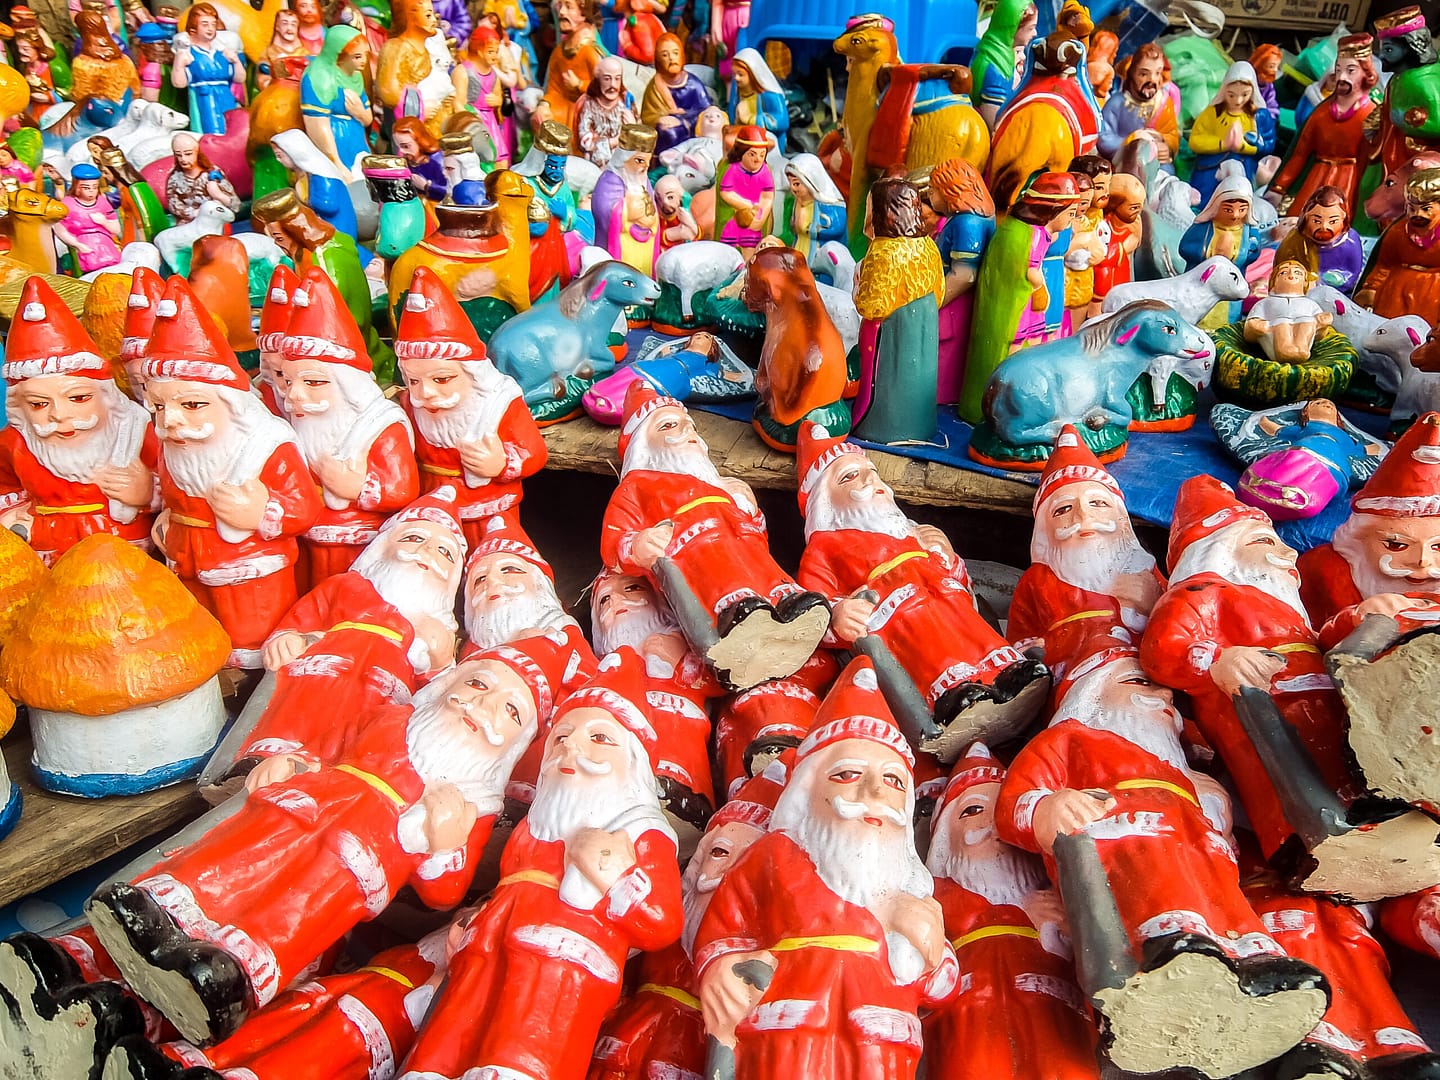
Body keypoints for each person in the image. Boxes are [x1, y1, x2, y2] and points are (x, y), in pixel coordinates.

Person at [86, 647, 563, 1045]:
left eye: (510, 709)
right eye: (479, 685)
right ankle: (155, 925)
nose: (483, 707)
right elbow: (330, 751)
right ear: (450, 684)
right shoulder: (395, 717)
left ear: (514, 746)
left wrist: (442, 844)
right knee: (231, 863)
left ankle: (224, 980)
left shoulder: (471, 802)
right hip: (296, 813)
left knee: (288, 908)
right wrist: (294, 765)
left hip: (350, 866)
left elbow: (445, 892)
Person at [996, 650, 1330, 1077]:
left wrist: (1210, 809)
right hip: (1125, 845)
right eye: (1139, 683)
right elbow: (1015, 803)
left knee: (1221, 901)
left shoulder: (1177, 767)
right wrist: (1049, 808)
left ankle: (1253, 966)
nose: (1164, 695)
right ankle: (1170, 962)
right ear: (1092, 696)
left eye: (1163, 688)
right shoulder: (1069, 738)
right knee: (1162, 895)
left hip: (1193, 844)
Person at [396, 650, 684, 1079]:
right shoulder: (536, 826)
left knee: (521, 1055)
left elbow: (661, 922)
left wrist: (617, 876)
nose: (572, 750)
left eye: (599, 739)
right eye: (561, 738)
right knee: (444, 1046)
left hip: (561, 967)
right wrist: (476, 919)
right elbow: (507, 887)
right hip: (485, 952)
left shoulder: (639, 833)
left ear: (635, 764)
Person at [695, 658, 961, 1078]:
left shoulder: (911, 878)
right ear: (807, 788)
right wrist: (721, 968)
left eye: (893, 781)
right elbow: (725, 928)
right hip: (788, 1032)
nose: (874, 792)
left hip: (883, 1039)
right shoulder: (772, 854)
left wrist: (932, 953)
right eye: (849, 773)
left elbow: (941, 988)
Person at [796, 422, 1049, 757]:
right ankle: (957, 699)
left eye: (869, 471)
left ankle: (1009, 678)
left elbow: (961, 580)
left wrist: (947, 555)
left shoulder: (907, 529)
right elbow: (814, 608)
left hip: (946, 599)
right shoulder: (824, 548)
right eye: (849, 477)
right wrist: (839, 615)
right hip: (901, 619)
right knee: (935, 652)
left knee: (974, 636)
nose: (870, 480)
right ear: (825, 503)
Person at [142, 277, 322, 669]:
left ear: (230, 404)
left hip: (249, 565)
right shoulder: (176, 445)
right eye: (158, 407)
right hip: (188, 556)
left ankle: (251, 682)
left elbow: (303, 508)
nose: (170, 421)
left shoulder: (267, 447)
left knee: (250, 636)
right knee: (201, 629)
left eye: (191, 404)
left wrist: (262, 514)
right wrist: (168, 519)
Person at [601, 383, 830, 691]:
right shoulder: (637, 486)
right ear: (645, 443)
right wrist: (638, 545)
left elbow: (758, 535)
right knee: (729, 587)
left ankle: (793, 615)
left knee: (765, 575)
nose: (687, 431)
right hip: (697, 554)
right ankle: (741, 636)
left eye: (689, 425)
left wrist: (750, 510)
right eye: (670, 425)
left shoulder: (716, 484)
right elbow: (615, 538)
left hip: (742, 544)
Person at [235, 487, 467, 771]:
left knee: (359, 734)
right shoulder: (344, 586)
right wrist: (288, 639)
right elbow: (306, 616)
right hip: (320, 673)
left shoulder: (438, 627)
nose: (428, 552)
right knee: (297, 713)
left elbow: (435, 696)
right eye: (414, 538)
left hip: (381, 691)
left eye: (445, 552)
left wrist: (440, 662)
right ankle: (264, 759)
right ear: (383, 547)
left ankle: (330, 774)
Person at [923, 743, 1100, 1080]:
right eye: (973, 810)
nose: (993, 824)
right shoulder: (935, 894)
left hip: (1055, 1015)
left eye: (1001, 810)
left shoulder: (1060, 891)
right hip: (969, 1018)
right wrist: (1020, 917)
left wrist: (1061, 928)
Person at [589, 794, 770, 1080]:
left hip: (693, 1047)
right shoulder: (669, 913)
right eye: (721, 853)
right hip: (628, 1032)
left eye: (751, 863)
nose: (731, 873)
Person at [273, 267, 418, 588]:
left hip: (361, 542)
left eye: (313, 382)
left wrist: (357, 487)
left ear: (347, 385)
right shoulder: (293, 425)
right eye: (288, 380)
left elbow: (401, 489)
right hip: (307, 538)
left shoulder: (380, 427)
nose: (294, 395)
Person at [0, 277, 157, 565]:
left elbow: (179, 479)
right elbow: (4, 484)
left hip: (123, 546)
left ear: (106, 395)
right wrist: (12, 513)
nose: (59, 415)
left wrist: (149, 491)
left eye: (79, 398)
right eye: (38, 404)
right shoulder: (15, 442)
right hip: (47, 548)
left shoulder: (136, 429)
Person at [393, 266, 547, 550]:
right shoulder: (410, 404)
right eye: (414, 380)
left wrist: (502, 464)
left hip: (488, 508)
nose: (426, 393)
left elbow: (534, 452)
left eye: (441, 379)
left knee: (489, 554)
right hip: (433, 508)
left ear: (472, 373)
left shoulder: (500, 404)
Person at [1007, 427, 1165, 683]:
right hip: (1072, 674)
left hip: (1141, 673)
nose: (1083, 517)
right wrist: (1033, 649)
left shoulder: (1141, 565)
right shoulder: (1038, 581)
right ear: (1046, 530)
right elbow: (1018, 639)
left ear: (1120, 518)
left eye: (1098, 503)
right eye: (1064, 509)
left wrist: (1155, 602)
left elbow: (1181, 622)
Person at [1298, 413, 1440, 638]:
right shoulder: (1324, 570)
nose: (1423, 560)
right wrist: (1355, 619)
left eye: (1438, 547)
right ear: (1359, 538)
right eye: (1395, 545)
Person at [251, 188, 392, 379]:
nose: (277, 244)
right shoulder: (306, 252)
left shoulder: (325, 260)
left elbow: (329, 308)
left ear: (296, 230)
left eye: (279, 238)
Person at [1267, 35, 1377, 215]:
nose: (1342, 77)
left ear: (1366, 74)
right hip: (1315, 180)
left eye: (1350, 71)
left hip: (1348, 184)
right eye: (1338, 70)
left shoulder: (1370, 115)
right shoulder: (1322, 112)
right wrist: (1278, 188)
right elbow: (1300, 152)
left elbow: (1370, 166)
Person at [1355, 167, 1440, 319]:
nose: (1417, 214)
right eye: (1411, 209)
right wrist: (1371, 288)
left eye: (1426, 209)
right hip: (1396, 294)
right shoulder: (1399, 231)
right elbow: (1384, 264)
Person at [1187, 61, 1271, 204]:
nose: (1238, 101)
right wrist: (1222, 143)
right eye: (1231, 95)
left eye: (1244, 94)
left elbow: (1268, 143)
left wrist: (1244, 145)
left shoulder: (1259, 115)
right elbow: (1195, 140)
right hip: (1211, 165)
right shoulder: (1212, 113)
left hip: (1245, 164)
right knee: (1204, 197)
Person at [300, 25, 374, 179]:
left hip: (357, 139)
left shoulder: (355, 74)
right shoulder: (318, 77)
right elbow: (317, 126)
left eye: (365, 55)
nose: (364, 61)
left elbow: (367, 120)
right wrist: (336, 162)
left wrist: (359, 112)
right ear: (339, 55)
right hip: (333, 143)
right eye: (357, 56)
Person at [376, 0, 456, 136]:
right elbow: (389, 92)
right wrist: (420, 108)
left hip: (440, 125)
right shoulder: (396, 48)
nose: (434, 21)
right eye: (428, 16)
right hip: (415, 132)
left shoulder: (430, 45)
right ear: (411, 17)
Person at [591, 123, 661, 274]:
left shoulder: (644, 180)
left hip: (644, 245)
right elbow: (603, 211)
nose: (645, 167)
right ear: (625, 159)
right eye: (639, 161)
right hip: (621, 246)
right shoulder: (609, 180)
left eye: (648, 162)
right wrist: (626, 210)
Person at [1274, 185, 1366, 294]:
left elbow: (1352, 273)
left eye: (1333, 221)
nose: (1324, 226)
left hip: (1336, 293)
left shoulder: (1350, 241)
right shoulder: (1295, 240)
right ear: (1306, 218)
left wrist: (1333, 279)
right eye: (1316, 221)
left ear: (1344, 219)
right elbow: (1281, 269)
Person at [1098, 43, 1178, 164]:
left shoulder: (1164, 103)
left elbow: (1172, 134)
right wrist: (1131, 142)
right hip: (1124, 161)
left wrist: (1166, 146)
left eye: (1157, 73)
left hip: (1156, 163)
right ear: (1132, 74)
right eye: (1144, 74)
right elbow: (1103, 138)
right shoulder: (1117, 103)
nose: (1152, 80)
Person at [171, 3, 243, 136]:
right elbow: (179, 83)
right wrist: (179, 64)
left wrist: (236, 61)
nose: (210, 29)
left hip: (226, 97)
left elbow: (239, 78)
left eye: (213, 24)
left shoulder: (221, 53)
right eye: (205, 24)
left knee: (232, 129)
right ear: (194, 26)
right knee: (213, 133)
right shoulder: (190, 54)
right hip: (205, 100)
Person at [452, 23, 516, 167]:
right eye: (490, 52)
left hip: (491, 122)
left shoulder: (494, 74)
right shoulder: (463, 72)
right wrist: (471, 120)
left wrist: (497, 100)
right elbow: (457, 103)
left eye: (496, 51)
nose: (495, 56)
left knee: (500, 157)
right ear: (480, 51)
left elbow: (498, 97)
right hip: (473, 121)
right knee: (481, 158)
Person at [1178, 166, 1262, 273]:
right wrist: (1208, 254)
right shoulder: (1203, 227)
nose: (1235, 215)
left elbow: (1254, 253)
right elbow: (1185, 248)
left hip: (1233, 277)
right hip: (1199, 275)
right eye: (1228, 210)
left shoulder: (1250, 232)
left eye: (1242, 210)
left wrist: (1243, 251)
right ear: (1216, 206)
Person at [537, 0, 604, 135]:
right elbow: (553, 89)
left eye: (568, 7)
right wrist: (544, 105)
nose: (561, 12)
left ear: (583, 14)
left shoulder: (589, 51)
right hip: (563, 108)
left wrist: (579, 84)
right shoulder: (559, 52)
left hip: (586, 110)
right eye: (560, 6)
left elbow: (603, 88)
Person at [641, 31, 710, 156]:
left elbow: (707, 112)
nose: (671, 58)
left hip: (692, 132)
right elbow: (647, 116)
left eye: (675, 53)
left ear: (682, 56)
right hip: (665, 134)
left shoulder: (693, 84)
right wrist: (659, 119)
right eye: (665, 55)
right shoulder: (655, 86)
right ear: (658, 60)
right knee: (667, 132)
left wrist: (681, 120)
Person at [1244, 260, 1329, 363]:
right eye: (1283, 272)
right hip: (1273, 336)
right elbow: (1249, 329)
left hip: (1305, 336)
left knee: (1307, 321)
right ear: (1274, 281)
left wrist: (1322, 322)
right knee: (1281, 322)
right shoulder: (1265, 303)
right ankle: (1285, 350)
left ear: (1305, 282)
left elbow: (1319, 333)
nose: (1291, 275)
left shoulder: (1310, 304)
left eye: (1298, 273)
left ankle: (1301, 349)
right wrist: (1256, 327)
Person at [779, 153, 846, 267]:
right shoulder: (797, 202)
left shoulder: (830, 203)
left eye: (796, 183)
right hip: (800, 245)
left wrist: (809, 227)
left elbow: (837, 227)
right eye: (790, 183)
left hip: (818, 250)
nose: (793, 188)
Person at [715, 125, 773, 255]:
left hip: (754, 221)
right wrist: (746, 205)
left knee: (751, 249)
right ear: (741, 153)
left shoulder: (764, 172)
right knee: (728, 251)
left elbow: (767, 196)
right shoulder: (733, 170)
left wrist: (761, 218)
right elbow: (726, 193)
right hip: (736, 220)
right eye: (752, 154)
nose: (757, 159)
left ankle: (748, 272)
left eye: (762, 155)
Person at [55, 162, 122, 275]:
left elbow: (116, 229)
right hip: (84, 248)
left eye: (94, 187)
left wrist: (104, 222)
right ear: (77, 187)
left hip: (106, 247)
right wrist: (78, 245)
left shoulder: (102, 202)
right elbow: (59, 229)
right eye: (86, 188)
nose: (91, 191)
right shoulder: (67, 204)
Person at [164, 132, 241, 225]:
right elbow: (174, 206)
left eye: (188, 154)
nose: (183, 159)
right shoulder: (174, 179)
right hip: (191, 225)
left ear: (197, 153)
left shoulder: (213, 174)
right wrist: (196, 213)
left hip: (216, 223)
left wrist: (218, 195)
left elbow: (235, 205)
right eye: (178, 155)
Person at [575, 54, 635, 166]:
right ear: (598, 79)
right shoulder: (589, 104)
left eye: (617, 79)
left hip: (624, 159)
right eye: (607, 79)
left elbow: (639, 135)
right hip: (597, 161)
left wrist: (633, 126)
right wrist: (612, 142)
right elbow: (584, 139)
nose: (612, 84)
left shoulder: (626, 102)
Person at [727, 47, 787, 140]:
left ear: (753, 74)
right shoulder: (737, 94)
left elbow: (783, 121)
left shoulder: (769, 95)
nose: (736, 78)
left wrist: (752, 119)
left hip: (765, 140)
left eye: (740, 74)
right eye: (734, 74)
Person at [258, 7, 307, 88]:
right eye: (285, 23)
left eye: (293, 24)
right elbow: (262, 79)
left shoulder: (304, 53)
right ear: (277, 26)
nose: (289, 28)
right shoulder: (268, 53)